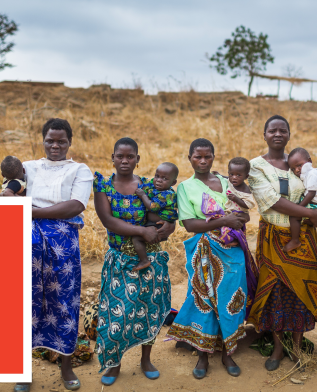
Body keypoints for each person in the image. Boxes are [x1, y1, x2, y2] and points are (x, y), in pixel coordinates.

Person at [165, 138, 254, 380]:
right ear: (190, 158)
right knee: (203, 299)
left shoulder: (228, 181)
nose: (203, 161)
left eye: (207, 156)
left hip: (233, 249)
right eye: (197, 157)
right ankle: (203, 354)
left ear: (214, 157)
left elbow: (245, 212)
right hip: (204, 251)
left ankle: (228, 352)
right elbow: (190, 224)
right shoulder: (185, 188)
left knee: (232, 299)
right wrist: (225, 221)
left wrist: (237, 221)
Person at [16, 118, 93, 392]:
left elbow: (74, 206)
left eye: (61, 141)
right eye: (50, 140)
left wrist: (32, 211)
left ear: (70, 142)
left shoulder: (80, 170)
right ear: (43, 140)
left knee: (65, 301)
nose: (55, 145)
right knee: (24, 302)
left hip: (63, 244)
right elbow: (12, 194)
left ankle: (66, 366)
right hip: (27, 241)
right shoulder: (27, 168)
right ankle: (22, 372)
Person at [247, 115, 317, 372]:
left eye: (283, 130)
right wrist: (311, 214)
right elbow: (270, 201)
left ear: (289, 135)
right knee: (275, 293)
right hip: (272, 237)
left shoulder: (299, 163)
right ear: (265, 134)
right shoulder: (255, 166)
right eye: (272, 130)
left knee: (300, 293)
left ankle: (295, 346)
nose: (278, 134)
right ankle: (278, 348)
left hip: (302, 239)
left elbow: (316, 189)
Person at [93, 137, 176, 386]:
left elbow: (163, 214)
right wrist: (141, 232)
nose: (125, 161)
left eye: (130, 157)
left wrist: (167, 227)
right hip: (119, 260)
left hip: (150, 260)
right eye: (120, 156)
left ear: (138, 159)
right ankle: (113, 364)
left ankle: (146, 360)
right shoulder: (103, 186)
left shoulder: (150, 186)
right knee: (115, 316)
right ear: (113, 158)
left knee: (148, 312)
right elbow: (108, 220)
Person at [132, 162, 179, 271]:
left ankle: (144, 260)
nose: (158, 180)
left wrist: (143, 195)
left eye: (164, 178)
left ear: (173, 182)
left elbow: (153, 207)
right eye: (157, 176)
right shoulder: (156, 187)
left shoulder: (167, 194)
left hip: (158, 227)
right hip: (153, 224)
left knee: (136, 238)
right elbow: (146, 186)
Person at [283, 147, 317, 253]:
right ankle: (310, 222)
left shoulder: (312, 174)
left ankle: (295, 240)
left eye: (299, 165)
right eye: (293, 169)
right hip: (316, 204)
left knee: (294, 217)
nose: (297, 170)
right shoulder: (307, 174)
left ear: (309, 161)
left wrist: (299, 208)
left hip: (315, 205)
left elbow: (311, 194)